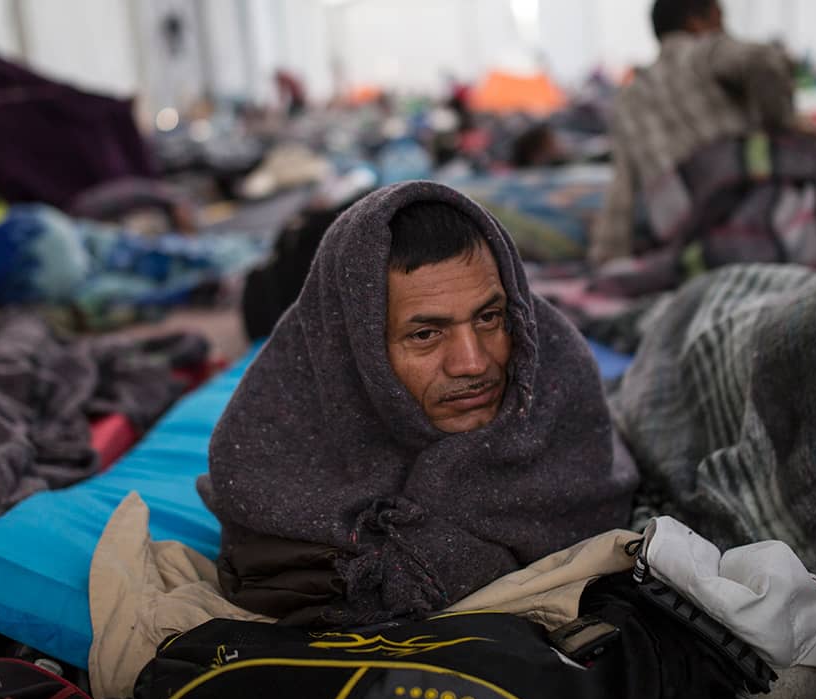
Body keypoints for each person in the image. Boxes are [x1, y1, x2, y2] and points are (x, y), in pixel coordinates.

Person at [198, 181, 637, 625]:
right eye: (425, 334)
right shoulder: (269, 458)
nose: (472, 363)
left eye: (489, 318)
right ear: (355, 351)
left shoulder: (556, 383)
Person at [590, 0, 797, 265]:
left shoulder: (629, 97)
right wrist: (781, 131)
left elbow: (621, 193)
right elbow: (765, 61)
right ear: (696, 22)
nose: (725, 29)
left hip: (688, 243)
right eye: (720, 18)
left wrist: (605, 259)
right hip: (754, 216)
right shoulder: (705, 51)